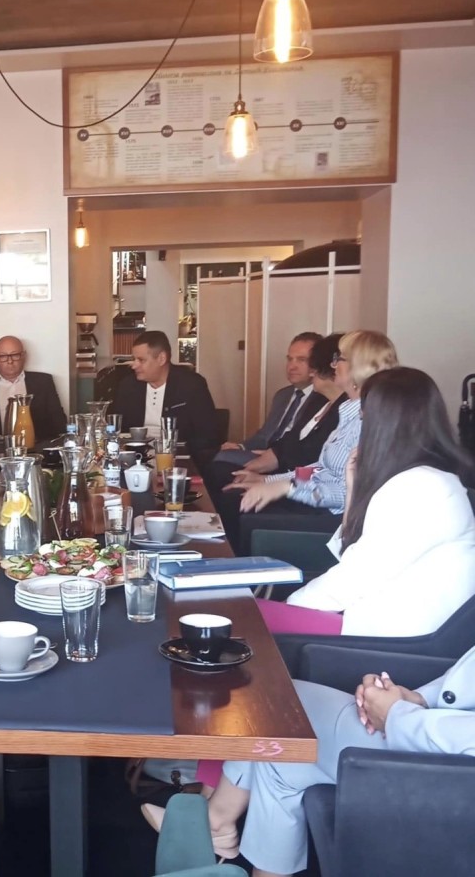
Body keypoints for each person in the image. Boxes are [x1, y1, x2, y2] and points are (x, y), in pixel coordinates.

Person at [143, 646, 475, 876]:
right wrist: (415, 697)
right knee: (285, 745)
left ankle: (216, 817)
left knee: (284, 712)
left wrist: (395, 714)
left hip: (450, 762)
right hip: (436, 729)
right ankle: (217, 819)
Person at [269, 366, 475, 635]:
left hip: (380, 633)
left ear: (382, 423)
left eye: (364, 415)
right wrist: (353, 489)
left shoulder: (419, 488)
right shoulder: (425, 479)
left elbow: (353, 579)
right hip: (372, 619)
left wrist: (289, 607)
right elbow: (350, 554)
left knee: (242, 616)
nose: (361, 422)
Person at [230, 330, 398, 550]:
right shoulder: (348, 412)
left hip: (337, 520)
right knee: (238, 499)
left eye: (339, 359)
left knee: (246, 518)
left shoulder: (367, 420)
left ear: (358, 367)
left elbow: (348, 493)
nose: (333, 365)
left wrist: (288, 487)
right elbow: (319, 468)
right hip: (319, 504)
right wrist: (270, 481)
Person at [211, 334, 346, 541]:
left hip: (320, 503)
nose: (310, 372)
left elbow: (320, 469)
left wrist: (275, 483)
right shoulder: (321, 403)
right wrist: (266, 478)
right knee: (229, 484)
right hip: (298, 481)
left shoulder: (346, 413)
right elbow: (299, 451)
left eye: (311, 365)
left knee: (235, 500)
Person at [111, 330, 221, 472]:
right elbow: (117, 429)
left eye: (141, 360)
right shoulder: (128, 386)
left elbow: (207, 434)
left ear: (161, 359)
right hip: (136, 459)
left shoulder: (191, 385)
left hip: (180, 458)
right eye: (134, 359)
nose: (134, 365)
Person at [213, 332, 323, 467]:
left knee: (223, 460)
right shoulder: (283, 395)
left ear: (318, 364)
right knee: (221, 455)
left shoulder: (322, 399)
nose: (292, 366)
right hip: (264, 455)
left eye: (301, 360)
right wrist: (241, 446)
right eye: (289, 359)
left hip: (291, 461)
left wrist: (274, 455)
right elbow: (264, 436)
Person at [0, 335, 67, 440]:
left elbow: (59, 424)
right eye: (3, 356)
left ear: (23, 356)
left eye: (15, 355)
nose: (10, 361)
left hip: (37, 447)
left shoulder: (43, 383)